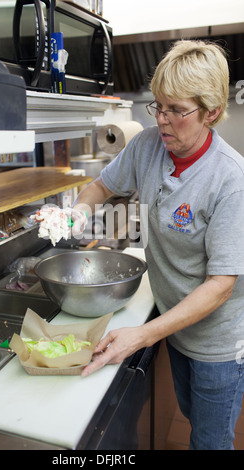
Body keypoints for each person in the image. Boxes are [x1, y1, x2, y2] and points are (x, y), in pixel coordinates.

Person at [70, 39, 244, 450]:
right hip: (176, 324)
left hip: (218, 341)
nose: (163, 120)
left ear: (212, 113)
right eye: (158, 106)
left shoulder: (231, 180)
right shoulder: (147, 145)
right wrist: (77, 213)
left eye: (177, 111)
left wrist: (143, 334)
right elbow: (100, 186)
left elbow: (221, 285)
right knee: (188, 416)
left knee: (209, 441)